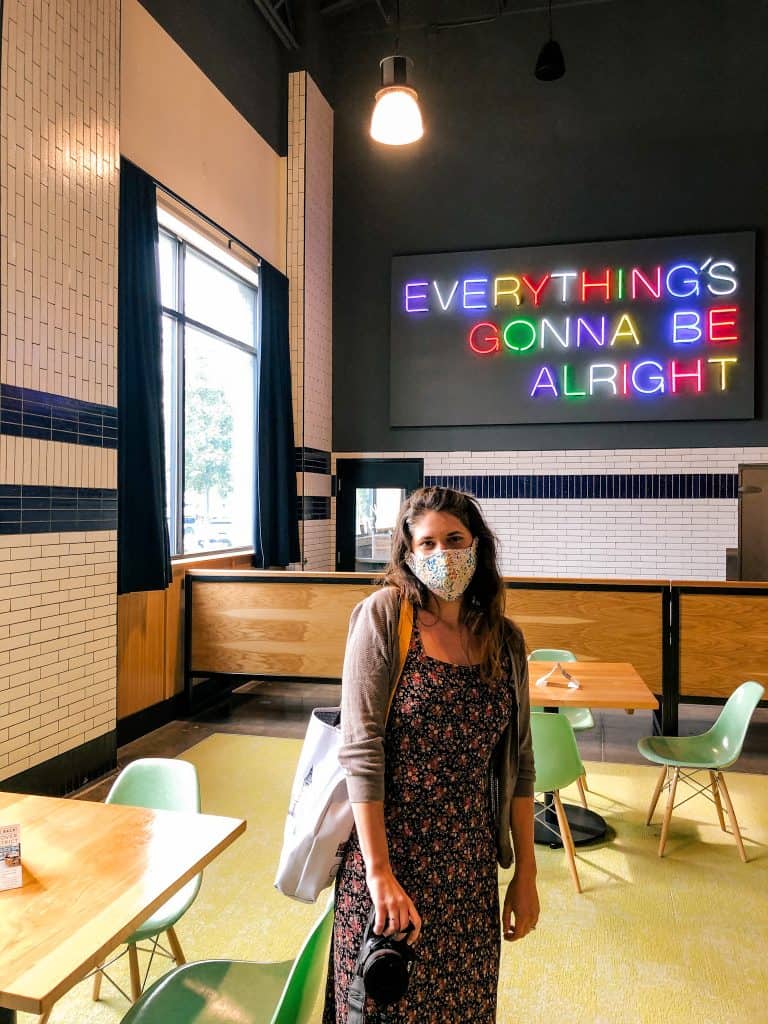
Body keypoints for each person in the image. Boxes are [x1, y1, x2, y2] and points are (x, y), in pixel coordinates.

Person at [323, 486, 538, 1024]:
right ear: (409, 554)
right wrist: (379, 876)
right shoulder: (384, 619)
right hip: (389, 863)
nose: (442, 554)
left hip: (467, 871)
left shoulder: (505, 641)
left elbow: (521, 764)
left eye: (455, 540)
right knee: (382, 1009)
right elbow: (361, 751)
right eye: (427, 544)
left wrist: (528, 875)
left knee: (462, 1007)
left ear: (478, 547)